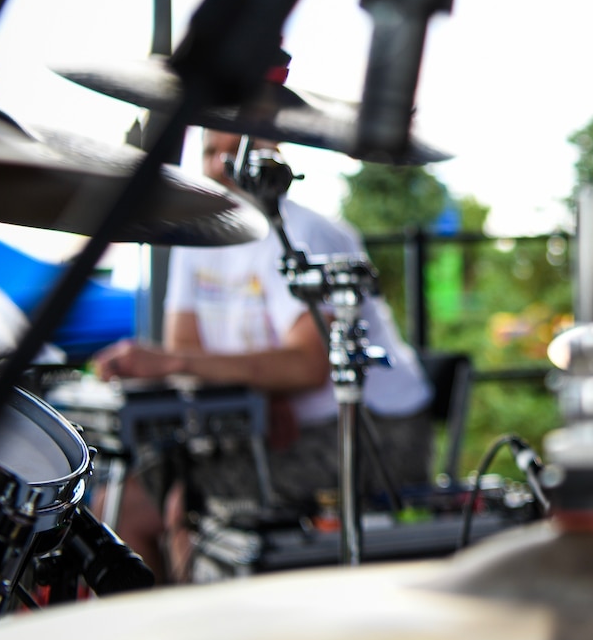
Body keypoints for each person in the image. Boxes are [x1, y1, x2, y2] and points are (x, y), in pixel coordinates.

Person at [95, 131, 434, 569]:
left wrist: (184, 365)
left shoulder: (304, 232)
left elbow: (306, 364)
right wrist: (264, 388)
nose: (220, 165)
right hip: (285, 427)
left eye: (233, 151)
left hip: (372, 432)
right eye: (209, 153)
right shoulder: (198, 238)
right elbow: (188, 347)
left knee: (162, 500)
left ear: (272, 155)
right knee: (130, 498)